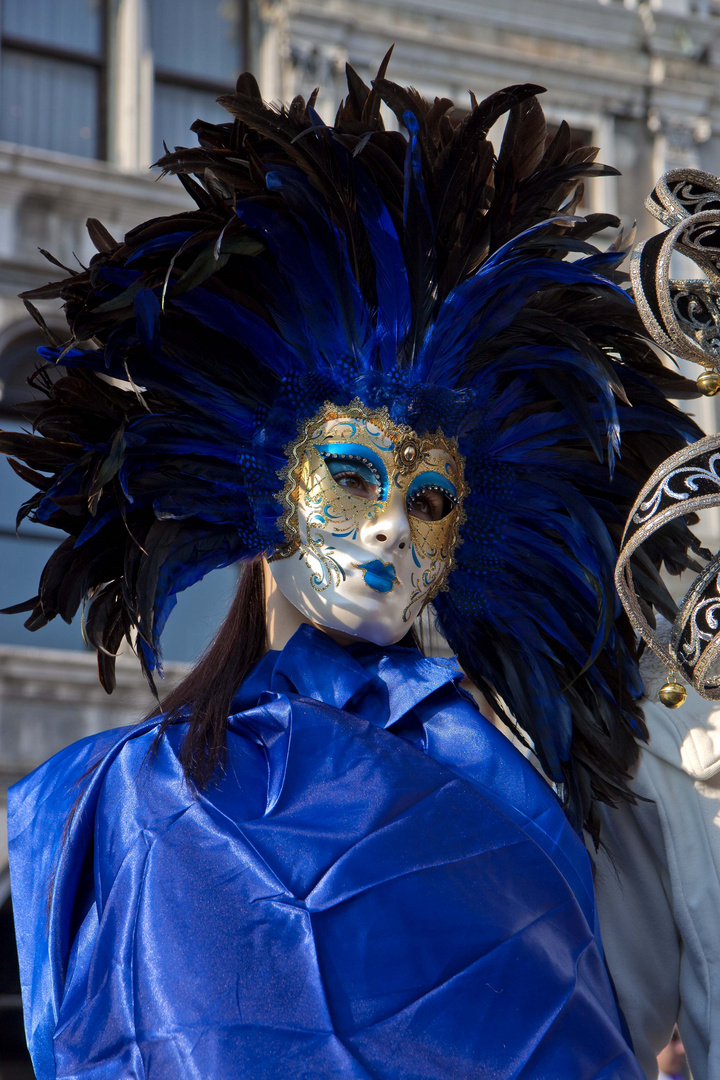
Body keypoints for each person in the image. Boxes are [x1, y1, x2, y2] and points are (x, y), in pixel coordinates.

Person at [0, 58, 703, 1079]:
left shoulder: (511, 790)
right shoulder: (137, 798)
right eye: (350, 476)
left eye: (428, 503)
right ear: (262, 483)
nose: (387, 534)